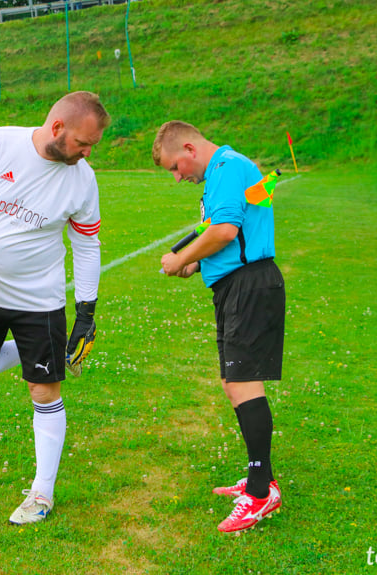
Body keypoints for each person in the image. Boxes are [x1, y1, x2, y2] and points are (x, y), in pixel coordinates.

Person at [0, 91, 110, 525]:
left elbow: (87, 246)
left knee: (44, 392)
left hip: (40, 302)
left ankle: (42, 494)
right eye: (82, 143)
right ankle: (32, 354)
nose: (87, 152)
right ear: (57, 129)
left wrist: (86, 312)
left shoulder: (82, 180)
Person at [153, 121, 284, 533]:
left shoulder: (227, 166)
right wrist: (194, 263)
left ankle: (261, 495)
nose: (178, 177)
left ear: (189, 148)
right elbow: (233, 224)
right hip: (237, 285)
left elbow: (226, 231)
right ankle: (262, 477)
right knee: (234, 383)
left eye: (175, 167)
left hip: (250, 285)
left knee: (244, 384)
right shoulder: (228, 172)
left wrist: (179, 259)